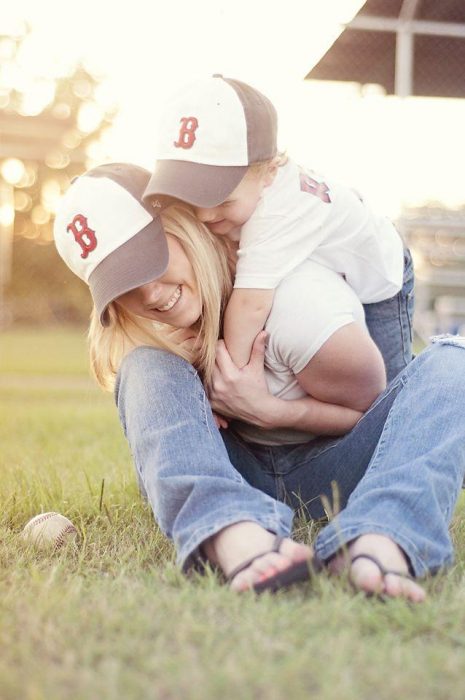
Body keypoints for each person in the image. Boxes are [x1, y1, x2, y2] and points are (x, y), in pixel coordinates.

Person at [54, 162, 465, 603]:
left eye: (151, 263)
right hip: (232, 473)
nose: (150, 296)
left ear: (181, 224)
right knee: (143, 369)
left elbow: (380, 411)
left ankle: (383, 536)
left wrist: (270, 411)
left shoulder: (294, 300)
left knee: (454, 362)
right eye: (125, 286)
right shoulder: (154, 336)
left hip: (342, 469)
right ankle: (232, 531)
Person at [142, 74, 414, 381]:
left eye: (222, 199)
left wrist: (225, 376)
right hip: (327, 266)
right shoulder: (250, 194)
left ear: (269, 172)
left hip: (380, 274)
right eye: (194, 197)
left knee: (392, 385)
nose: (204, 214)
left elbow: (250, 306)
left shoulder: (278, 211)